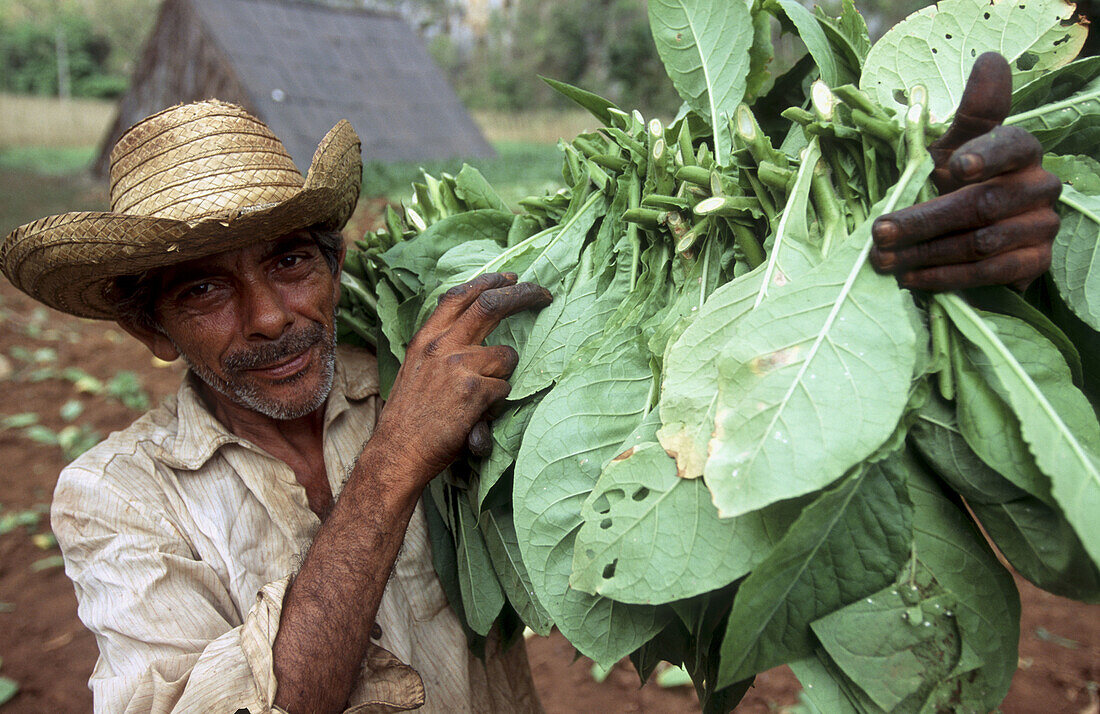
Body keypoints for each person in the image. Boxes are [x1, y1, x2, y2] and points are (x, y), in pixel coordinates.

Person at [0, 53, 1057, 714]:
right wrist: (399, 457)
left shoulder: (430, 362)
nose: (272, 315)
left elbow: (692, 351)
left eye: (291, 260)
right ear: (148, 324)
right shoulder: (117, 499)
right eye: (203, 290)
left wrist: (890, 245)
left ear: (333, 260)